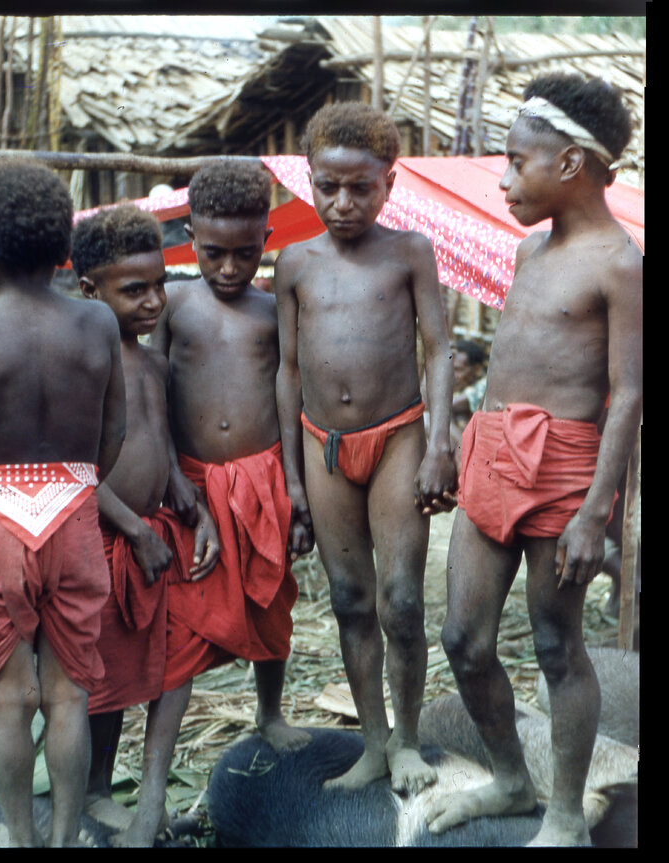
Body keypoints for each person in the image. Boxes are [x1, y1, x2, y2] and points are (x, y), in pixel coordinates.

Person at [427, 73, 642, 846]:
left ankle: (563, 817)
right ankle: (512, 779)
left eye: (518, 161)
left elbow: (626, 396)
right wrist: (456, 444)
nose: (504, 176)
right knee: (462, 637)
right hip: (493, 450)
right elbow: (513, 364)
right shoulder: (528, 247)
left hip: (564, 468)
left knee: (556, 642)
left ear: (572, 165)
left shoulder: (621, 262)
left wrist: (595, 512)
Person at [0, 161, 127, 846]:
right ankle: (67, 836)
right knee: (69, 692)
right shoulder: (97, 322)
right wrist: (72, 486)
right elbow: (115, 431)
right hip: (75, 508)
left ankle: (18, 835)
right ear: (63, 251)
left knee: (9, 697)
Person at [274, 101, 457, 795]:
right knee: (351, 599)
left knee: (402, 598)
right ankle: (374, 743)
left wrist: (440, 441)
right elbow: (288, 372)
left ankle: (409, 740)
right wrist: (292, 476)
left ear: (390, 181)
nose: (343, 202)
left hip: (398, 437)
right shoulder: (294, 262)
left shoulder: (410, 251)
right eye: (328, 186)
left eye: (361, 187)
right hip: (325, 447)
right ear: (308, 179)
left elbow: (439, 350)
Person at [150, 159, 312, 755]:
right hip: (192, 482)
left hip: (261, 478)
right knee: (184, 615)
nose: (228, 268)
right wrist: (173, 480)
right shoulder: (172, 304)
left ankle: (270, 713)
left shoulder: (272, 313)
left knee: (270, 599)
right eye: (214, 252)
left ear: (265, 242)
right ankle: (158, 766)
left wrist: (295, 491)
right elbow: (153, 398)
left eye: (244, 254)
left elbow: (289, 399)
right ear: (189, 237)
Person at [73, 204, 220, 846]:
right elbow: (72, 467)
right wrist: (133, 528)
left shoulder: (151, 362)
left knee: (159, 660)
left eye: (160, 284)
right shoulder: (83, 361)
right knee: (98, 676)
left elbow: (161, 449)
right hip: (107, 536)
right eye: (135, 290)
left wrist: (195, 504)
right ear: (89, 291)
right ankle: (92, 790)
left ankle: (136, 791)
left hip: (157, 532)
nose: (155, 301)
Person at [449, 339, 487, 473]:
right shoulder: (460, 388)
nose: (454, 375)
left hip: (477, 453)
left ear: (476, 369)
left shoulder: (484, 384)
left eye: (459, 369)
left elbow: (447, 406)